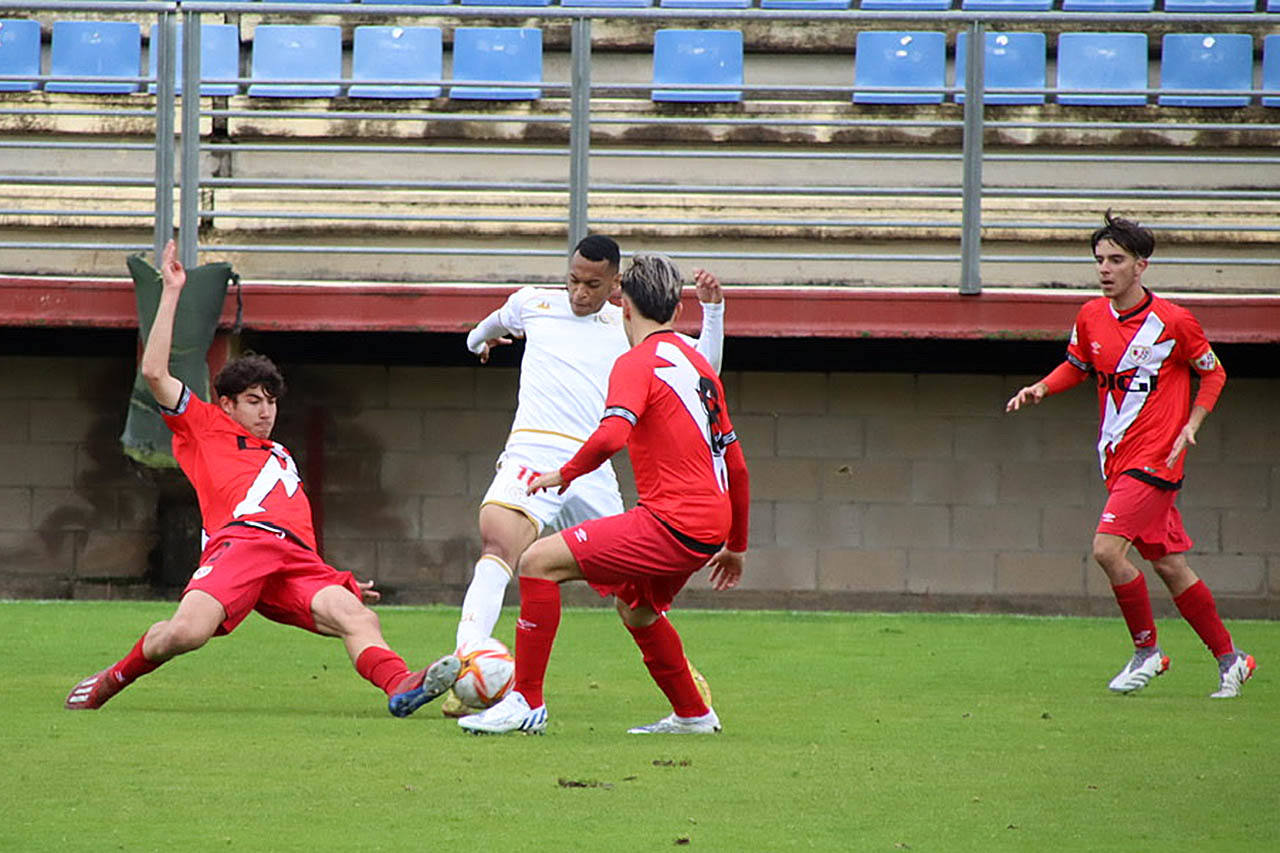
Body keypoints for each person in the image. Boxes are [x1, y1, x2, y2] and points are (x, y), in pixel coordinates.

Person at [65, 239, 460, 715]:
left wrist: (331, 574)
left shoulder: (279, 453)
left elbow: (289, 517)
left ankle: (401, 686)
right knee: (186, 633)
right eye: (254, 400)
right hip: (242, 544)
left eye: (271, 401)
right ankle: (110, 680)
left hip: (294, 558)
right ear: (227, 403)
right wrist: (171, 292)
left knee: (356, 615)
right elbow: (154, 371)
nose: (265, 411)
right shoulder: (205, 425)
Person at [458, 252, 749, 735]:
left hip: (670, 523)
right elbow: (735, 465)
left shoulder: (635, 362)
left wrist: (564, 474)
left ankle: (526, 703)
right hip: (709, 526)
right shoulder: (696, 364)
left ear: (625, 308)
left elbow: (613, 433)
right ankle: (694, 713)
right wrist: (736, 545)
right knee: (635, 608)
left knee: (536, 563)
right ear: (678, 311)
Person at [1005, 212, 1255, 699]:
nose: (1104, 269)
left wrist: (1192, 424)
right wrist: (1041, 388)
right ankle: (1232, 660)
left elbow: (1215, 373)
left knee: (1105, 549)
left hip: (1156, 460)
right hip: (1117, 459)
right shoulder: (1090, 316)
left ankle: (1147, 652)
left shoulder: (1174, 321)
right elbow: (1077, 366)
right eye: (1099, 260)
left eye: (1115, 260)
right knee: (1170, 566)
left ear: (1141, 266)